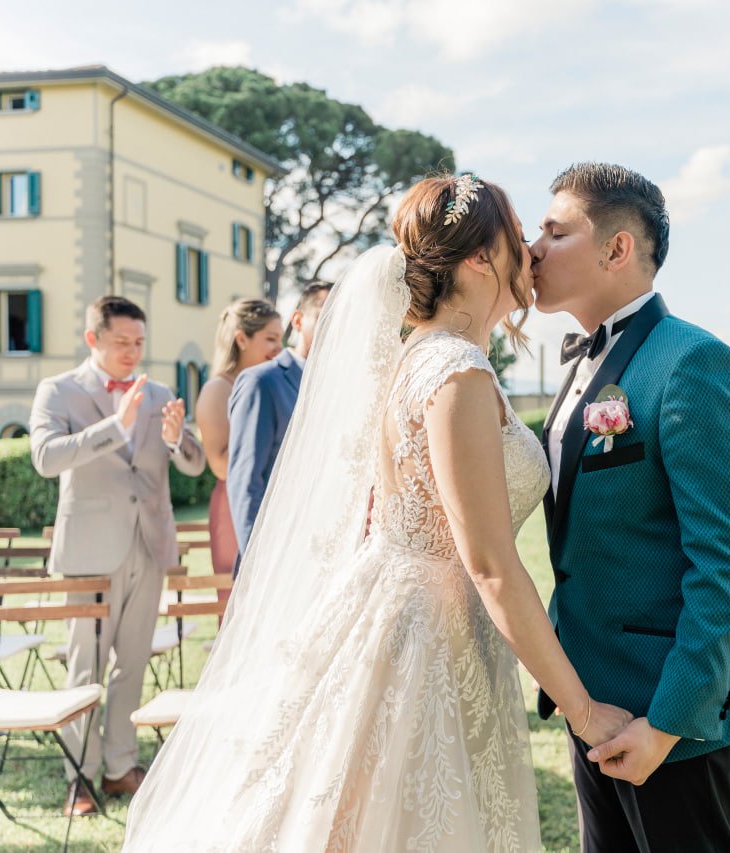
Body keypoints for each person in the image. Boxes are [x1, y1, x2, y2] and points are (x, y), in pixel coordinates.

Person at [124, 174, 632, 851]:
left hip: (415, 618)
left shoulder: (418, 358)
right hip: (422, 640)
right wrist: (585, 711)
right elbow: (489, 565)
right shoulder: (455, 373)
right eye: (518, 237)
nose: (532, 250)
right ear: (480, 258)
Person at [531, 162, 730, 852]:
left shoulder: (694, 362)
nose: (533, 248)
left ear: (617, 248)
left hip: (670, 710)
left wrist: (667, 723)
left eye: (554, 231)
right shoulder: (579, 365)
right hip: (594, 697)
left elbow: (728, 564)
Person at [29, 296, 205, 817]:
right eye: (122, 342)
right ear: (93, 340)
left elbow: (193, 465)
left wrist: (177, 441)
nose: (132, 352)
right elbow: (44, 458)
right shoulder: (58, 390)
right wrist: (116, 427)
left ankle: (119, 766)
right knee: (86, 667)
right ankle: (78, 776)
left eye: (139, 343)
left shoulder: (158, 392)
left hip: (148, 544)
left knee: (132, 663)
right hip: (89, 549)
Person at [225, 282, 329, 561]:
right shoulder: (261, 381)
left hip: (325, 554)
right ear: (298, 320)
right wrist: (257, 565)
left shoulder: (340, 387)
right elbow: (245, 481)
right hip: (275, 557)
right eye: (324, 317)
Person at [194, 299, 281, 592]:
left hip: (269, 500)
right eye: (270, 339)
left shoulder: (269, 384)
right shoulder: (218, 389)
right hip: (235, 505)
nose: (278, 349)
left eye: (280, 339)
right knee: (240, 597)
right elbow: (220, 465)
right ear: (242, 338)